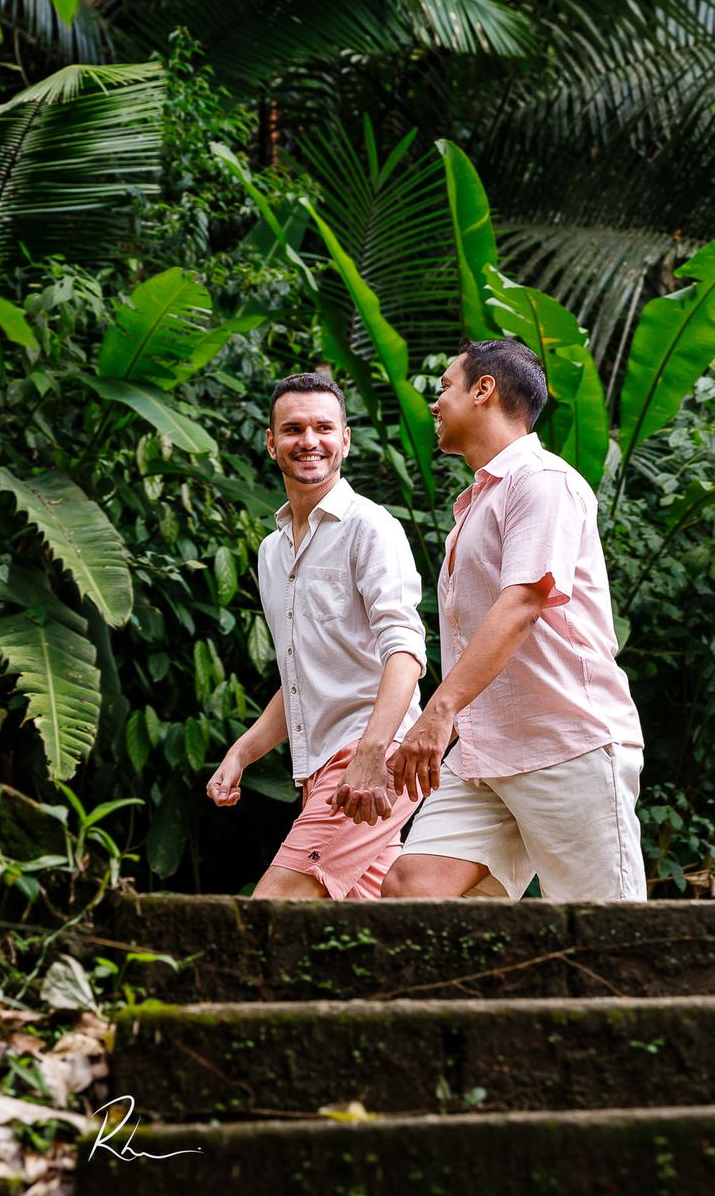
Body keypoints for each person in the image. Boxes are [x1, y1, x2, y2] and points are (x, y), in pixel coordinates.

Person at [377, 339, 646, 901]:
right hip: (486, 753)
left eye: (445, 387)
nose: (434, 402)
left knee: (608, 931)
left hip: (567, 742)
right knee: (411, 887)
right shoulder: (477, 501)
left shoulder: (541, 480)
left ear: (484, 389)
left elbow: (523, 603)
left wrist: (438, 713)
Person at [205, 372, 427, 899]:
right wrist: (241, 753)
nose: (309, 441)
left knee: (272, 909)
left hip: (366, 756)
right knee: (371, 922)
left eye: (324, 428)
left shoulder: (370, 527)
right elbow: (302, 679)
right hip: (320, 769)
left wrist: (372, 754)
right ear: (271, 442)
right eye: (293, 429)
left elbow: (405, 650)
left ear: (345, 440)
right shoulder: (272, 552)